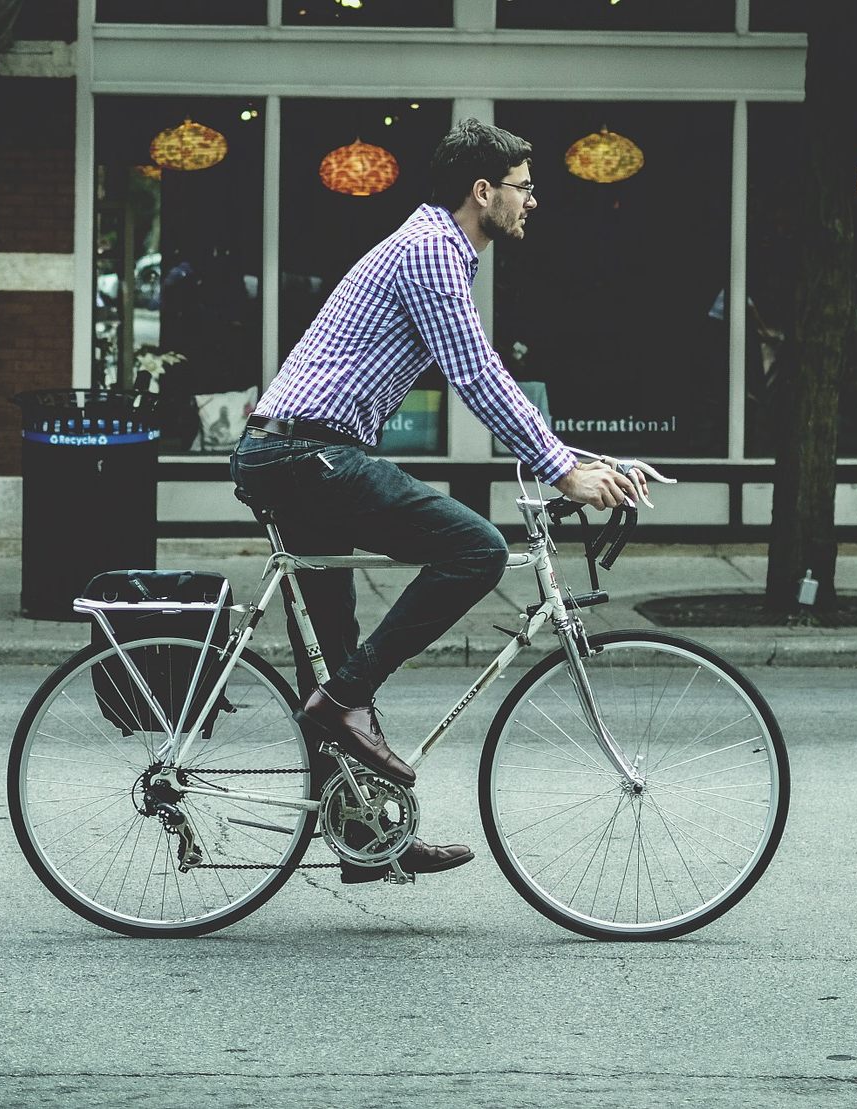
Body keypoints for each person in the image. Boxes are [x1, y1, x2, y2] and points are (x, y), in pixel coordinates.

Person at [229, 119, 648, 883]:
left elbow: (483, 375)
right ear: (482, 191)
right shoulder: (430, 250)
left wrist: (583, 460)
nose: (532, 201)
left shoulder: (436, 248)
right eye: (523, 187)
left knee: (334, 649)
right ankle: (343, 704)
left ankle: (364, 831)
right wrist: (561, 471)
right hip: (305, 454)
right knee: (475, 549)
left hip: (297, 452)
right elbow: (476, 374)